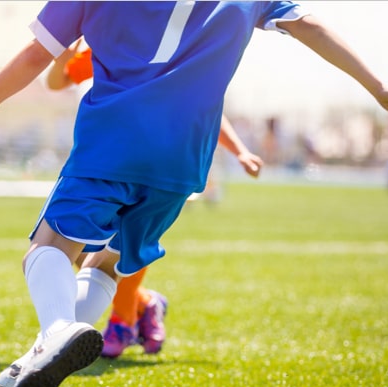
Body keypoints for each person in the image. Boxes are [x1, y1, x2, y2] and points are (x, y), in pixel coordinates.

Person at [0, 2, 388, 387]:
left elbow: (39, 57)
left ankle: (54, 332)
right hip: (182, 163)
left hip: (115, 141)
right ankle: (40, 357)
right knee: (107, 263)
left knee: (49, 248)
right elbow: (308, 24)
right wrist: (378, 87)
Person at [46, 41, 264, 359]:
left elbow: (204, 105)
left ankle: (123, 321)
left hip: (161, 164)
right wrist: (61, 59)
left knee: (128, 240)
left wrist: (240, 151)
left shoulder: (180, 45)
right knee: (84, 251)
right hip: (105, 157)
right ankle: (146, 304)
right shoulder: (118, 38)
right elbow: (59, 80)